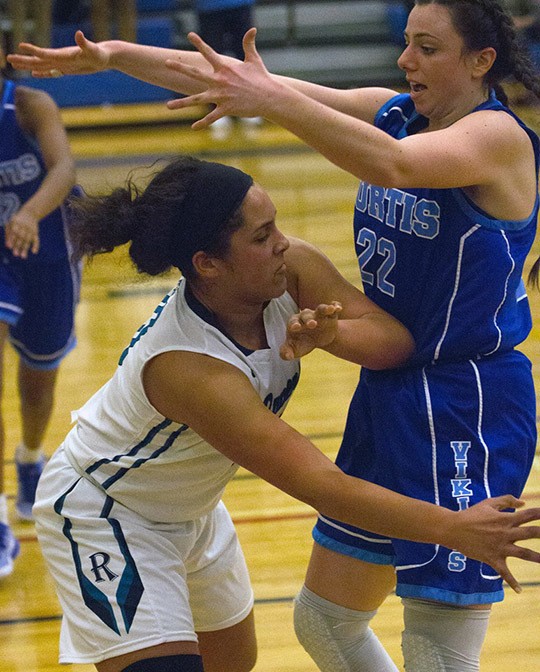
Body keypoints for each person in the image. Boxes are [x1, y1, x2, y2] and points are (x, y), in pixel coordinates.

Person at [6, 4, 540, 666]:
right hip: (391, 385)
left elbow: (394, 166)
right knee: (324, 621)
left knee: (437, 648)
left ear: (480, 60)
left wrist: (272, 99)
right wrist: (119, 56)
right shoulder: (394, 111)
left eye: (427, 48)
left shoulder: (494, 139)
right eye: (406, 43)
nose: (406, 61)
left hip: (468, 398)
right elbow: (238, 80)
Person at [0, 42, 80, 579]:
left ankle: (31, 457)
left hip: (44, 251)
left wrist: (29, 212)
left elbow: (64, 168)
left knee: (38, 377)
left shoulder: (29, 106)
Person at [193, 0, 259, 138]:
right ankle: (215, 108)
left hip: (239, 4)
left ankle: (249, 104)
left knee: (246, 55)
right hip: (209, 7)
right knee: (211, 59)